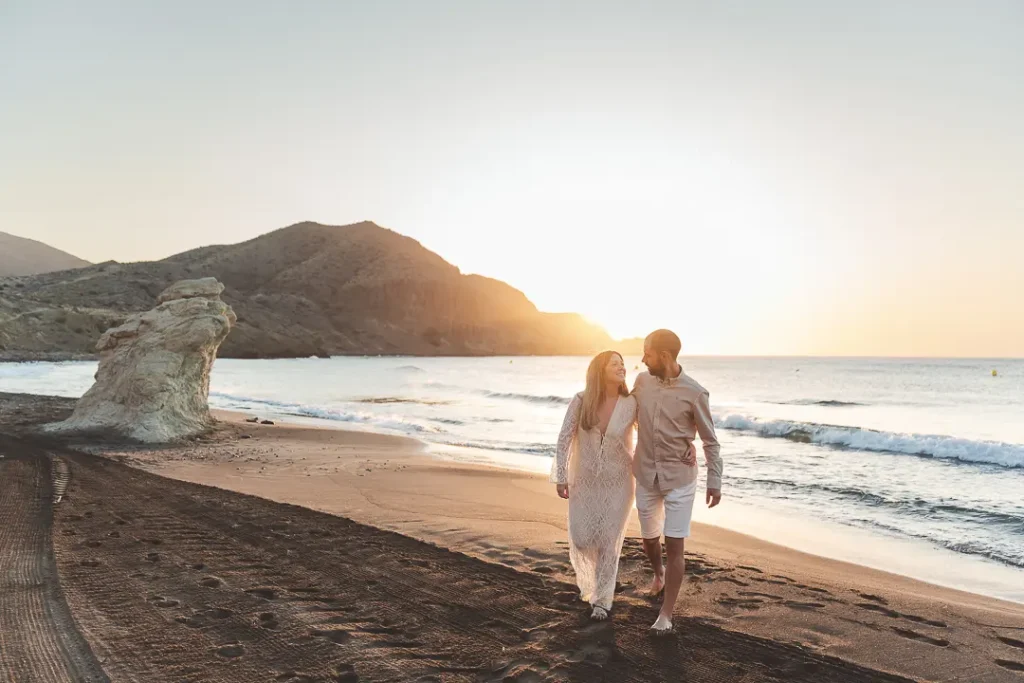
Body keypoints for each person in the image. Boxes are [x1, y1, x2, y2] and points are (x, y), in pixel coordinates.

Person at [632, 329, 722, 634]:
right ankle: (658, 574)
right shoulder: (642, 382)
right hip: (645, 472)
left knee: (674, 544)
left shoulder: (695, 393)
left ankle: (666, 614)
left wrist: (715, 480)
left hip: (680, 479)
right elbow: (627, 414)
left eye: (647, 353)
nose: (643, 359)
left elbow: (710, 441)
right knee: (648, 537)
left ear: (664, 356)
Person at [551, 351, 636, 621]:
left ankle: (602, 599)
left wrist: (684, 446)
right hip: (585, 480)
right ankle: (596, 584)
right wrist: (561, 475)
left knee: (609, 541)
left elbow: (652, 433)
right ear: (600, 370)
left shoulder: (631, 402)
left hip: (619, 481)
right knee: (582, 536)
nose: (621, 368)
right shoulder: (581, 400)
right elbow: (564, 437)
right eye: (615, 364)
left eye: (623, 364)